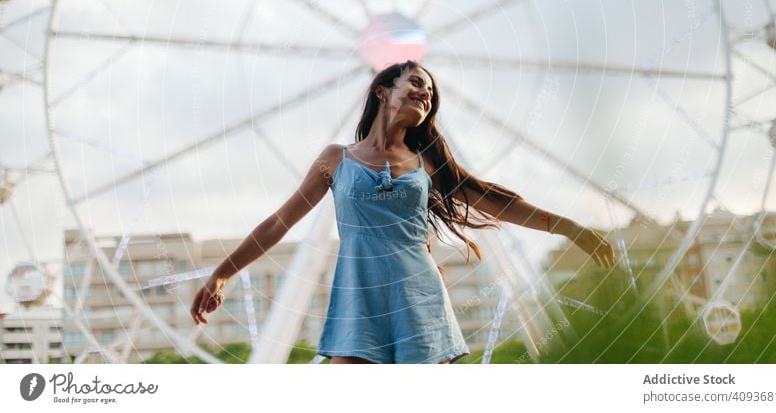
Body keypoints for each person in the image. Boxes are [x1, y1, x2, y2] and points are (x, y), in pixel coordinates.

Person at [190, 60, 616, 363]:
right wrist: (223, 272)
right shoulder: (335, 160)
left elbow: (496, 202)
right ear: (382, 90)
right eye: (415, 83)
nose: (424, 94)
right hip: (358, 300)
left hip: (420, 300)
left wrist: (570, 228)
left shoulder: (428, 160)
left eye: (429, 93)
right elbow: (279, 223)